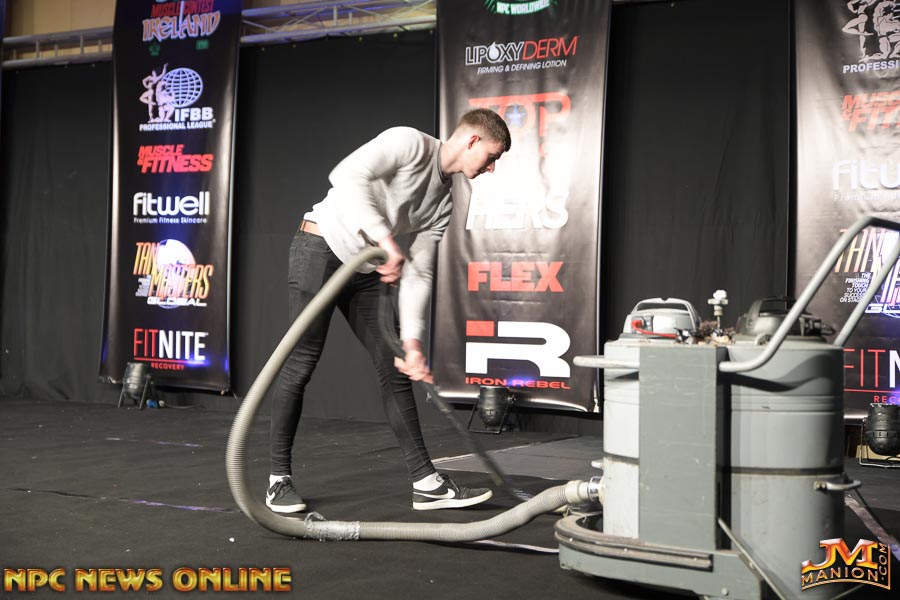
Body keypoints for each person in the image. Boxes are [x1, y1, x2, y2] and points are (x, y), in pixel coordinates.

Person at [266, 109, 511, 513]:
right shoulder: (409, 143)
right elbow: (346, 176)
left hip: (366, 270)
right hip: (321, 250)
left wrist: (412, 342)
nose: (491, 167)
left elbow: (419, 273)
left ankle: (426, 483)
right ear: (472, 141)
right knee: (301, 363)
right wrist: (385, 239)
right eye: (492, 157)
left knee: (395, 367)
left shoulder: (444, 202)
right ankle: (278, 480)